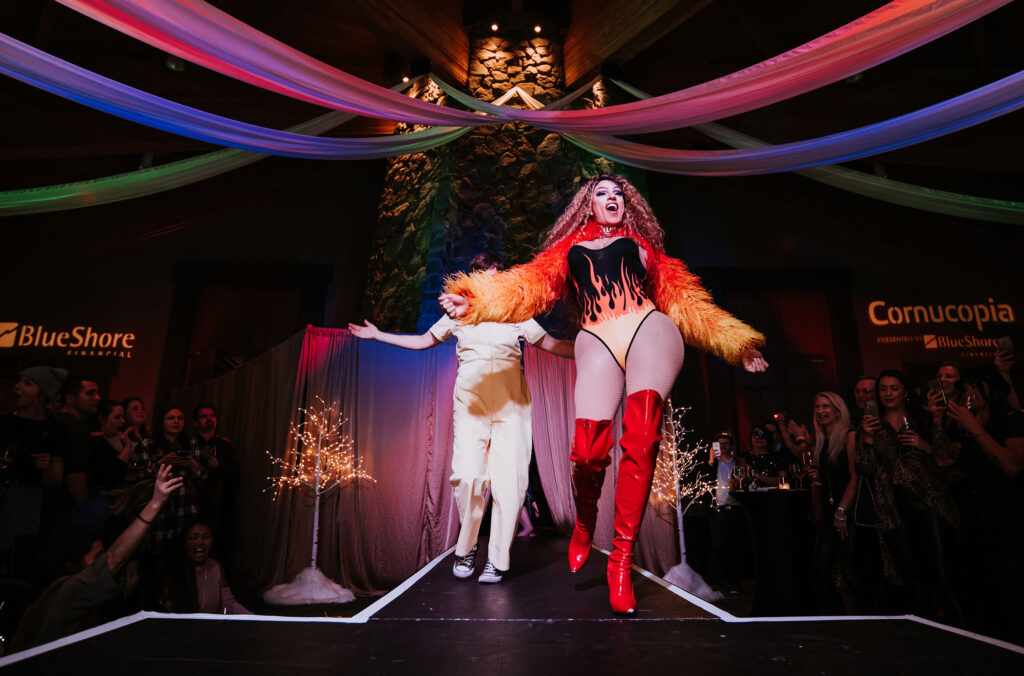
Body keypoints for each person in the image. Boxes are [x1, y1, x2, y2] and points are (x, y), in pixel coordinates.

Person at [440, 174, 768, 613]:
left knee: (641, 439)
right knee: (589, 453)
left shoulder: (645, 249)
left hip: (648, 328)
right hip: (596, 335)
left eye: (619, 193)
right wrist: (472, 300)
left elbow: (689, 302)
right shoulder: (567, 250)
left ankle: (620, 561)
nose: (612, 198)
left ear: (628, 204)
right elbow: (525, 285)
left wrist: (739, 344)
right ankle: (585, 522)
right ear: (587, 205)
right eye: (602, 193)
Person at [350, 252, 574, 584]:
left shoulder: (516, 314)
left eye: (498, 274)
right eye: (486, 274)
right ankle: (465, 549)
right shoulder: (461, 313)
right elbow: (424, 341)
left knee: (510, 486)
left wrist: (597, 347)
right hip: (472, 407)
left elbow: (554, 344)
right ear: (474, 279)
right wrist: (378, 335)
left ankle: (497, 560)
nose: (493, 280)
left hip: (511, 409)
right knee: (468, 478)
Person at [8, 465, 183, 652]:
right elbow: (114, 558)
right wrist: (155, 504)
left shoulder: (83, 600)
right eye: (96, 556)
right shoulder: (68, 592)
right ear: (72, 565)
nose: (102, 562)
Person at [855, 369, 961, 622]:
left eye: (894, 388)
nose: (888, 393)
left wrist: (925, 443)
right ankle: (922, 628)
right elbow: (864, 468)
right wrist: (867, 437)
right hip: (892, 507)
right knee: (908, 573)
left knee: (939, 571)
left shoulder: (923, 419)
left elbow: (947, 460)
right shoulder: (872, 424)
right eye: (883, 389)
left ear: (905, 392)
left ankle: (954, 627)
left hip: (929, 501)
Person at [788, 392, 857, 613]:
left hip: (848, 513)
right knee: (820, 569)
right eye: (817, 407)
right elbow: (826, 475)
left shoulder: (849, 435)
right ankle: (831, 620)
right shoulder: (821, 441)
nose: (821, 411)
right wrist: (817, 476)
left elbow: (855, 478)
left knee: (848, 572)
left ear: (838, 411)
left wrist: (841, 511)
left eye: (826, 406)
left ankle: (862, 620)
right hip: (830, 513)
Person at [0, 367, 68, 577]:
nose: (17, 387)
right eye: (19, 381)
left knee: (14, 563)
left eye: (27, 383)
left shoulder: (54, 431)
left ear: (42, 393)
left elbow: (55, 482)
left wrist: (46, 466)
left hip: (26, 505)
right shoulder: (4, 423)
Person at [190, 403, 241, 572]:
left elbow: (237, 479)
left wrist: (219, 466)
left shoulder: (225, 446)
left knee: (219, 549)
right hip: (193, 506)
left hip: (221, 508)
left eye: (212, 415)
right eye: (204, 416)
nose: (209, 419)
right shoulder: (189, 445)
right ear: (196, 422)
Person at [161, 519, 250, 615]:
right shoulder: (172, 569)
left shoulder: (216, 567)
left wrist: (253, 618)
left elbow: (229, 603)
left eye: (206, 537)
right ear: (184, 542)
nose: (200, 542)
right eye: (193, 538)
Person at [55, 376, 101, 505]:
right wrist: (84, 507)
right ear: (70, 398)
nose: (98, 398)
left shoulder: (58, 420)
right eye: (90, 393)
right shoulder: (75, 426)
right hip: (66, 504)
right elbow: (75, 473)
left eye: (97, 393)